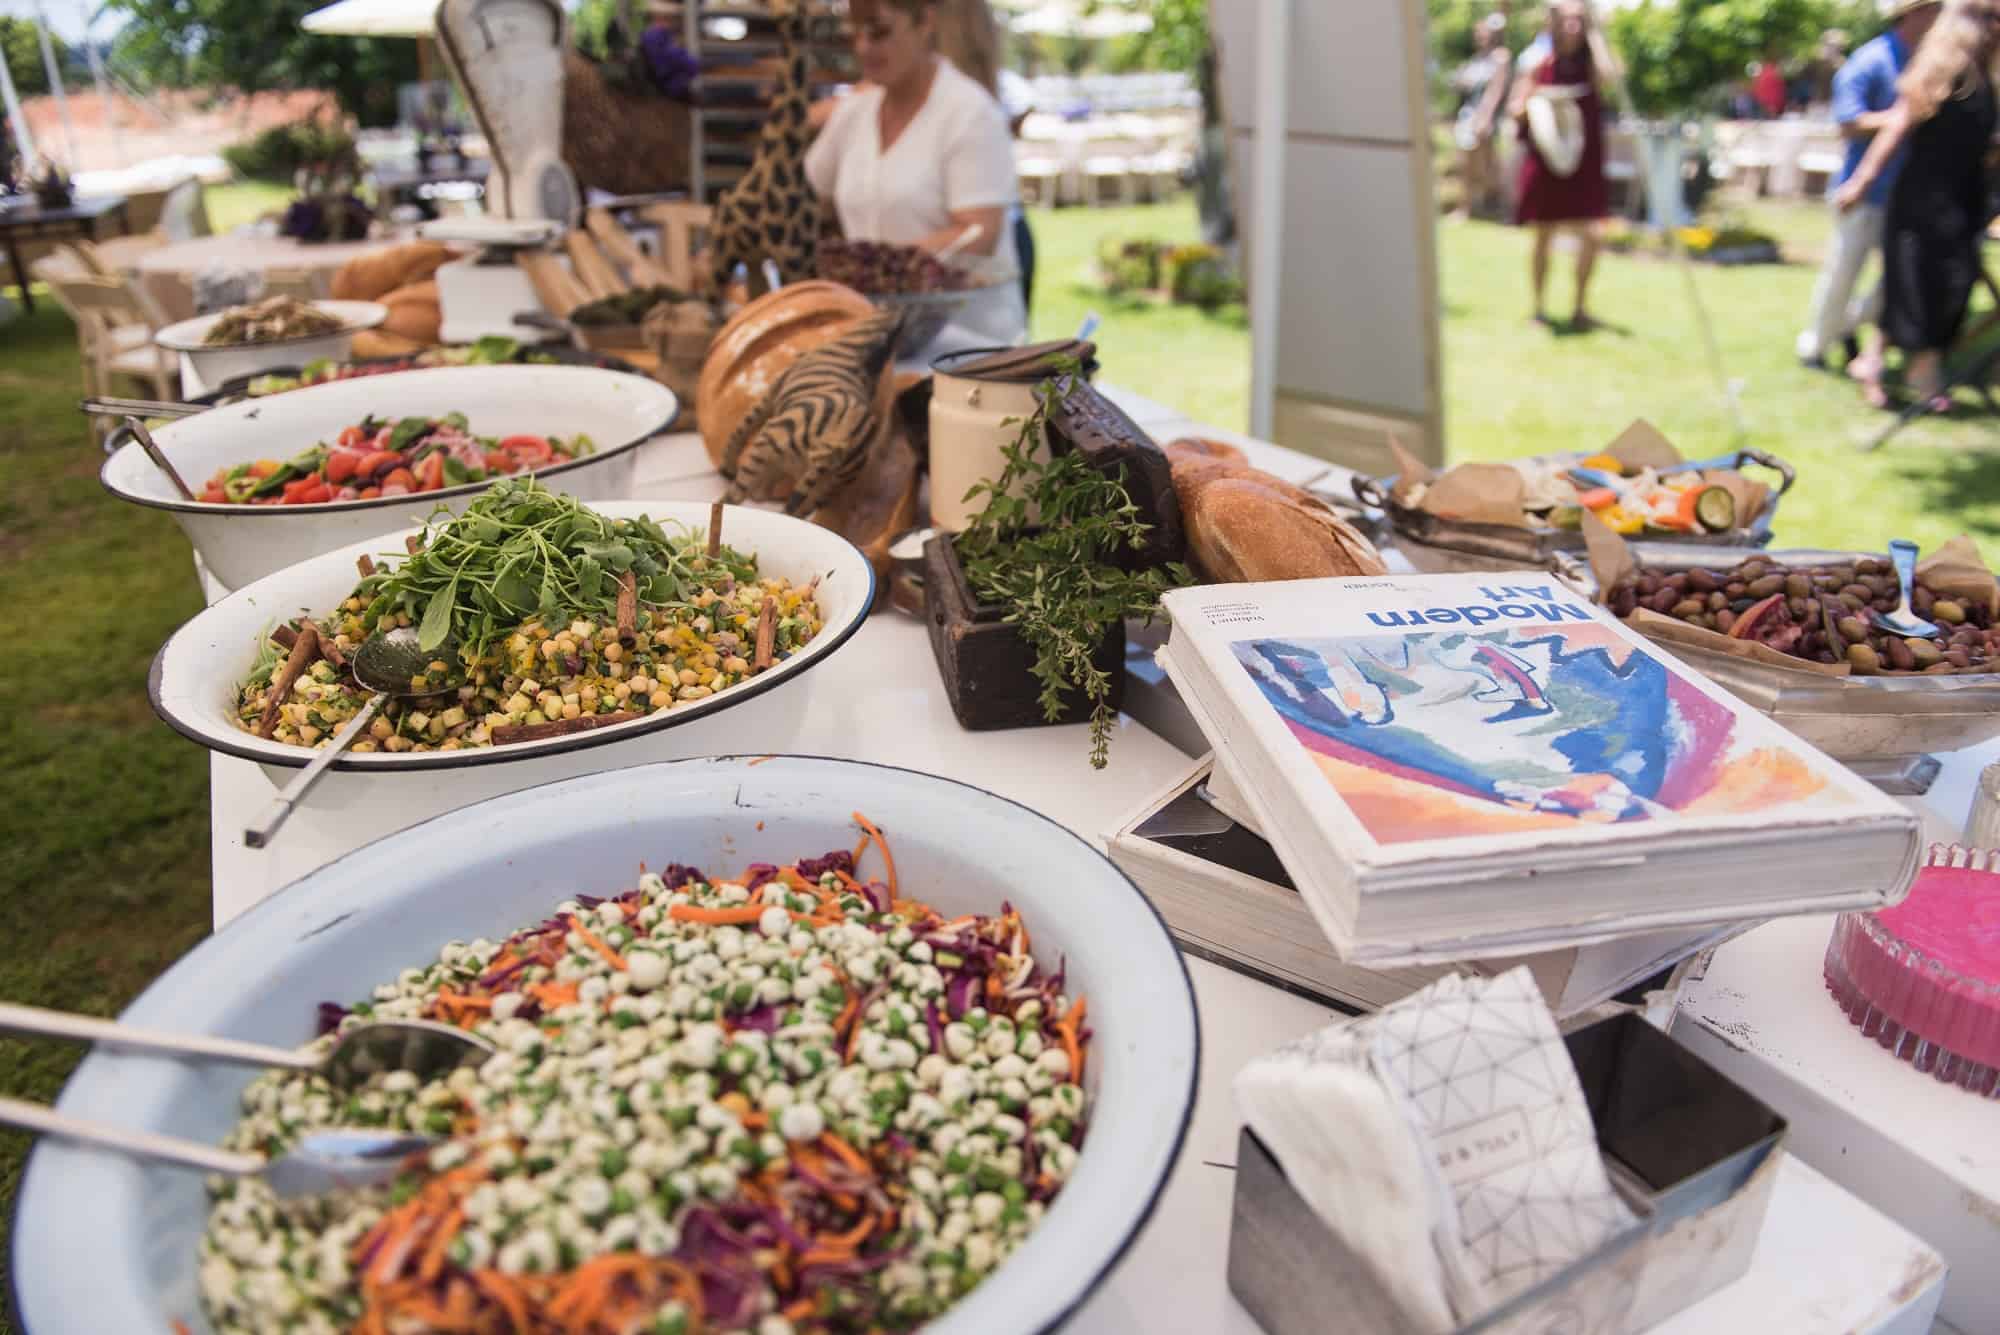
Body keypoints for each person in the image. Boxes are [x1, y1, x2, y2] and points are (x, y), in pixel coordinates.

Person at [804, 0, 1027, 344]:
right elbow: (807, 198)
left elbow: (979, 234)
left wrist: (874, 266)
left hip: (966, 342)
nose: (863, 47)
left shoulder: (970, 113)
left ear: (925, 22)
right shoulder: (854, 113)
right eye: (854, 34)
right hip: (876, 333)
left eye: (879, 33)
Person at [1837, 0, 1997, 411]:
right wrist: (1862, 181)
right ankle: (1918, 375)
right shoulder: (1941, 69)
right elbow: (1896, 127)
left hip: (1965, 197)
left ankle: (1881, 363)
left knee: (1945, 285)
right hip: (1924, 197)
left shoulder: (1986, 76)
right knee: (1916, 284)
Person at [1796, 0, 1942, 374]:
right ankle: (1814, 347)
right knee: (1842, 273)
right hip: (1862, 193)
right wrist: (1901, 117)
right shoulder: (1872, 60)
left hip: (1906, 194)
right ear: (1913, 13)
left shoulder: (1929, 62)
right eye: (1933, 9)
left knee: (1898, 281)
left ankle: (1845, 325)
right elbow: (1848, 122)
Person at [1511, 0, 1615, 328]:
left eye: (1579, 21)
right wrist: (1540, 105)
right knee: (1544, 234)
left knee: (1592, 234)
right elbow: (1517, 108)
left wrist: (1596, 34)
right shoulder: (1539, 62)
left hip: (1584, 158)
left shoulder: (1591, 64)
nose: (1573, 27)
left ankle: (1580, 307)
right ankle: (1539, 308)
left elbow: (1609, 78)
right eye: (1567, 20)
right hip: (1548, 159)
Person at [1452, 15, 1515, 219]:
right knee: (1467, 162)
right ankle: (1467, 207)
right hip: (1468, 115)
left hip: (1487, 118)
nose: (1481, 37)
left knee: (1490, 164)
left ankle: (1503, 208)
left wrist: (1485, 117)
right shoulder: (1476, 59)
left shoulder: (1500, 56)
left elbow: (1495, 90)